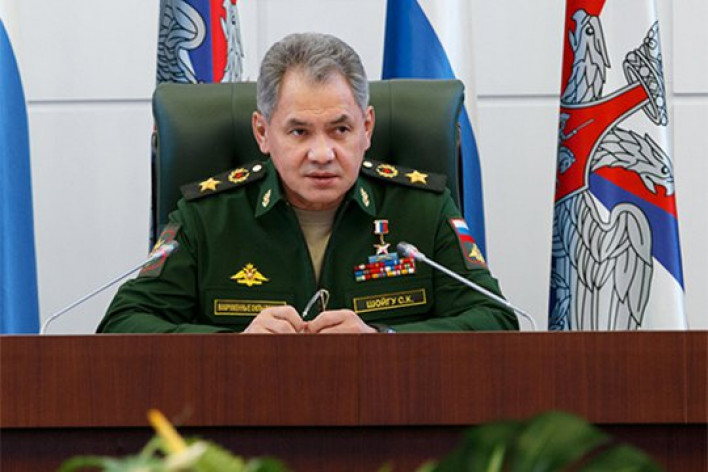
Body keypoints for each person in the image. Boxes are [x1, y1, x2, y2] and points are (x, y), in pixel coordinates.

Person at [97, 32, 518, 334]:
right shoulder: (208, 216)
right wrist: (234, 346)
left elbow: (496, 320)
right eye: (299, 132)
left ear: (367, 128)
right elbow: (122, 324)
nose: (322, 153)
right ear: (262, 132)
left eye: (340, 130)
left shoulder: (422, 208)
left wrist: (384, 340)